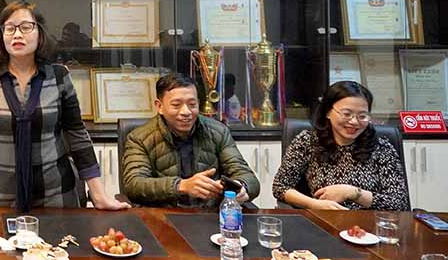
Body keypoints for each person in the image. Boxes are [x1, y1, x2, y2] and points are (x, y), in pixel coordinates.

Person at [0, 1, 129, 211]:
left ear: (39, 34)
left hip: (56, 195)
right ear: (1, 35)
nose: (17, 34)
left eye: (26, 27)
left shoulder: (58, 76)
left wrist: (99, 195)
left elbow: (77, 135)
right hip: (1, 195)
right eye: (10, 28)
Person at [121, 73, 259, 208]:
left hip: (210, 214)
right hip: (162, 215)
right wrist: (181, 186)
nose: (186, 112)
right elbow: (133, 184)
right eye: (176, 105)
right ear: (159, 106)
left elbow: (247, 176)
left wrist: (242, 187)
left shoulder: (218, 132)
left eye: (192, 104)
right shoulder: (139, 138)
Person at [272, 81, 410, 210]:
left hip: (371, 224)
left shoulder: (381, 147)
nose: (354, 122)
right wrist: (314, 204)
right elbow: (281, 186)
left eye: (362, 116)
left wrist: (352, 193)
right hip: (324, 219)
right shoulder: (308, 141)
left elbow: (399, 202)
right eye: (346, 114)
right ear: (328, 112)